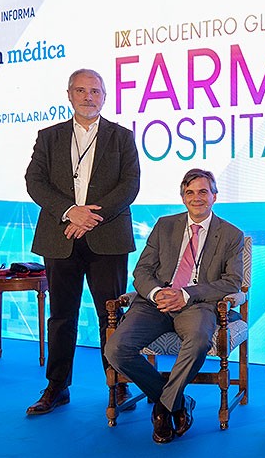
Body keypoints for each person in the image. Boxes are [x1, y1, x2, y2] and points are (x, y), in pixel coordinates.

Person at [24, 68, 140, 415]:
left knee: (113, 316)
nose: (88, 96)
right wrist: (70, 212)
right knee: (61, 316)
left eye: (95, 91)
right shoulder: (49, 136)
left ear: (104, 96)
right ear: (69, 95)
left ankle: (117, 384)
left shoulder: (122, 137)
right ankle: (57, 386)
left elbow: (129, 185)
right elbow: (35, 181)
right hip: (59, 236)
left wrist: (90, 217)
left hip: (108, 237)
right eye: (81, 90)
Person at [104, 169, 244, 443]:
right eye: (190, 192)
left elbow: (232, 282)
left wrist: (187, 295)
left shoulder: (230, 234)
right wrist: (157, 293)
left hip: (197, 304)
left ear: (214, 196)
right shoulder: (164, 226)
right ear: (182, 197)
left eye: (203, 192)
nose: (197, 198)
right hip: (153, 303)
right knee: (115, 349)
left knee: (199, 339)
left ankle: (163, 408)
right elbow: (142, 271)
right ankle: (177, 401)